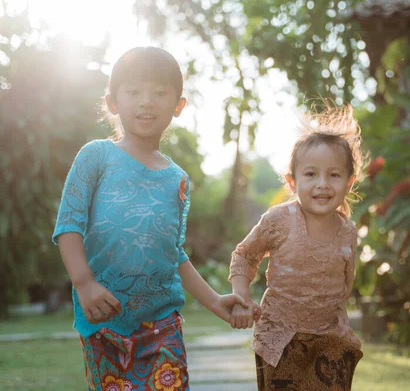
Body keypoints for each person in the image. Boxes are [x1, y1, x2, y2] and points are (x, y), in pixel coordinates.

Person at [52, 46, 250, 391]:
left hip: (162, 324)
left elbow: (175, 254)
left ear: (178, 105)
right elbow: (68, 224)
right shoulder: (95, 157)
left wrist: (215, 301)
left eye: (159, 93)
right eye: (134, 92)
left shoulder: (177, 179)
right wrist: (84, 283)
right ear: (112, 102)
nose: (147, 101)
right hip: (104, 320)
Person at [228, 104, 365, 390]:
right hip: (281, 339)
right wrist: (241, 297)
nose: (322, 184)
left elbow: (345, 284)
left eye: (334, 175)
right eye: (311, 174)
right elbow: (244, 256)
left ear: (350, 182)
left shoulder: (348, 232)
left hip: (331, 340)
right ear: (292, 181)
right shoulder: (279, 220)